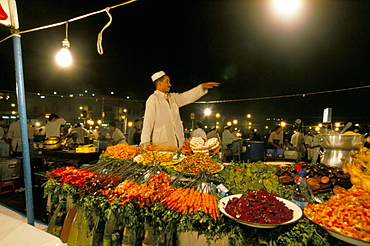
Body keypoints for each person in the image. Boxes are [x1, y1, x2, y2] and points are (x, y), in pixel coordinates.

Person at [140, 71, 220, 147]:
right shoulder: (153, 99)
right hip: (161, 145)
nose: (170, 84)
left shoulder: (173, 98)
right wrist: (145, 143)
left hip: (177, 144)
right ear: (159, 83)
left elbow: (187, 96)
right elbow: (148, 122)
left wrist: (202, 87)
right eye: (167, 81)